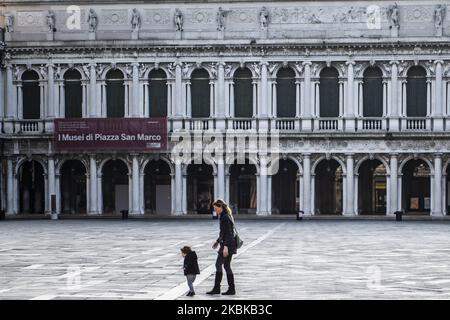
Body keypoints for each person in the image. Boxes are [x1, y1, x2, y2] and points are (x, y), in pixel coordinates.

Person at [207, 199, 237, 295]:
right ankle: (231, 289)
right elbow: (223, 233)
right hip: (228, 244)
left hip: (227, 245)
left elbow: (229, 233)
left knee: (218, 265)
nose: (215, 210)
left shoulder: (225, 217)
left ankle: (217, 288)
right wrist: (217, 241)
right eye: (214, 208)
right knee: (226, 266)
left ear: (221, 207)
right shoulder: (225, 216)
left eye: (216, 208)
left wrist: (225, 247)